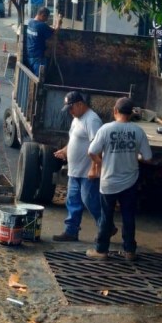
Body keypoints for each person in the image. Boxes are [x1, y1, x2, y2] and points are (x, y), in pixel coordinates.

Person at [86, 97, 152, 261]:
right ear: (131, 114)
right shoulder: (138, 131)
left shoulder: (106, 129)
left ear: (115, 110)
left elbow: (91, 151)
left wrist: (101, 163)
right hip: (130, 182)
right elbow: (148, 157)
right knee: (128, 216)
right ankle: (130, 251)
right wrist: (135, 156)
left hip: (109, 182)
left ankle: (102, 251)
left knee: (106, 216)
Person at [51, 90, 104, 243]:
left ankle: (106, 227)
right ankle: (71, 231)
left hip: (87, 172)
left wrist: (94, 168)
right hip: (75, 171)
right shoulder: (76, 119)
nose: (70, 112)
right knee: (72, 201)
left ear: (80, 104)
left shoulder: (92, 120)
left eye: (71, 108)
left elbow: (98, 146)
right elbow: (74, 139)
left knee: (91, 202)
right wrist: (65, 150)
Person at [26, 6, 61, 76]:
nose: (46, 20)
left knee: (32, 77)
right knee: (39, 78)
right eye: (46, 17)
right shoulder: (42, 26)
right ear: (43, 15)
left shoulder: (30, 22)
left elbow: (46, 29)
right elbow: (55, 33)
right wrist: (58, 23)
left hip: (29, 55)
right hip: (38, 58)